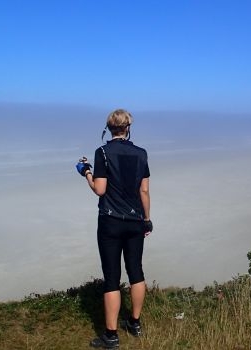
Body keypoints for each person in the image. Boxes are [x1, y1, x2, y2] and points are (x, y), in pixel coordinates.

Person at [76, 109, 152, 349]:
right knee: (136, 271)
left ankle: (111, 336)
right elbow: (144, 191)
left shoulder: (103, 153)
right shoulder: (141, 154)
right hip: (136, 220)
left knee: (112, 277)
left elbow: (100, 189)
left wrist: (86, 172)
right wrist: (146, 219)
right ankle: (135, 323)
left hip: (110, 220)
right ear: (128, 128)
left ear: (109, 128)